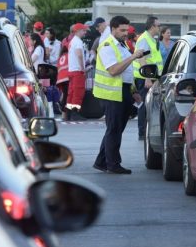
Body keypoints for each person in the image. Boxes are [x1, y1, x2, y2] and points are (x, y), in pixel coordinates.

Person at [93, 15, 147, 174]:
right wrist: (133, 56)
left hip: (121, 90)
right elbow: (114, 70)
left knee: (115, 128)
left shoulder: (121, 45)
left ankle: (102, 161)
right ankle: (113, 164)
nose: (125, 33)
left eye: (127, 30)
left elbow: (127, 73)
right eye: (122, 30)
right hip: (111, 93)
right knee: (114, 129)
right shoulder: (108, 46)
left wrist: (133, 91)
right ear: (113, 29)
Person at [133, 16, 163, 141]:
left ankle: (145, 131)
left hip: (151, 77)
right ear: (152, 26)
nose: (159, 28)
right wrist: (147, 77)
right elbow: (141, 58)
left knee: (148, 104)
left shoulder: (151, 39)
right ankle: (142, 132)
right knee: (145, 105)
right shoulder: (144, 39)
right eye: (158, 25)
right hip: (144, 78)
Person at [66, 22, 89, 120]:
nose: (85, 32)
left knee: (71, 92)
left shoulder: (72, 41)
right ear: (78, 31)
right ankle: (75, 113)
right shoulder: (78, 42)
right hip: (77, 71)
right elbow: (79, 55)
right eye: (83, 30)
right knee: (78, 92)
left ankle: (69, 113)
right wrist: (83, 69)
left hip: (71, 70)